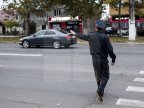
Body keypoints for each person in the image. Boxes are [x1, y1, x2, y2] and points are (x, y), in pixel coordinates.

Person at [70, 19, 116, 103]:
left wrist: (75, 34)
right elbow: (110, 50)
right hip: (103, 60)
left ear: (96, 27)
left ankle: (100, 90)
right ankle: (100, 90)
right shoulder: (105, 37)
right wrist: (113, 59)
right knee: (105, 76)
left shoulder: (91, 35)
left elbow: (82, 36)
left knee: (98, 76)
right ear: (103, 28)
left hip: (94, 60)